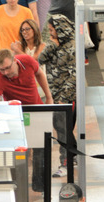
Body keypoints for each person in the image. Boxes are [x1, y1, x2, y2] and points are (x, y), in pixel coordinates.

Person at [38, 14, 76, 178]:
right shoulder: (56, 45)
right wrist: (52, 45)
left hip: (65, 98)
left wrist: (64, 98)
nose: (51, 33)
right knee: (63, 129)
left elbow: (74, 77)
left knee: (63, 131)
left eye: (53, 30)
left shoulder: (73, 48)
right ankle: (72, 156)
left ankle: (65, 163)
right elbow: (40, 59)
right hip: (55, 94)